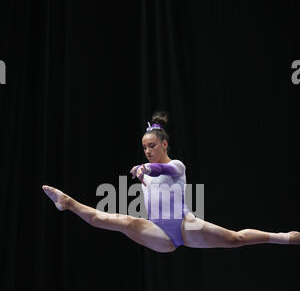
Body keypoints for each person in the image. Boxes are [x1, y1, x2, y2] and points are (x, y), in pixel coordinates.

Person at [42, 111, 300, 253]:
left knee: (235, 239)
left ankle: (283, 237)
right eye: (144, 148)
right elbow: (148, 176)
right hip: (159, 234)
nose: (148, 151)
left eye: (152, 146)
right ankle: (68, 203)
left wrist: (145, 169)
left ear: (164, 144)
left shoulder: (176, 166)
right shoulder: (146, 172)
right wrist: (142, 174)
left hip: (185, 225)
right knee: (112, 220)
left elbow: (157, 169)